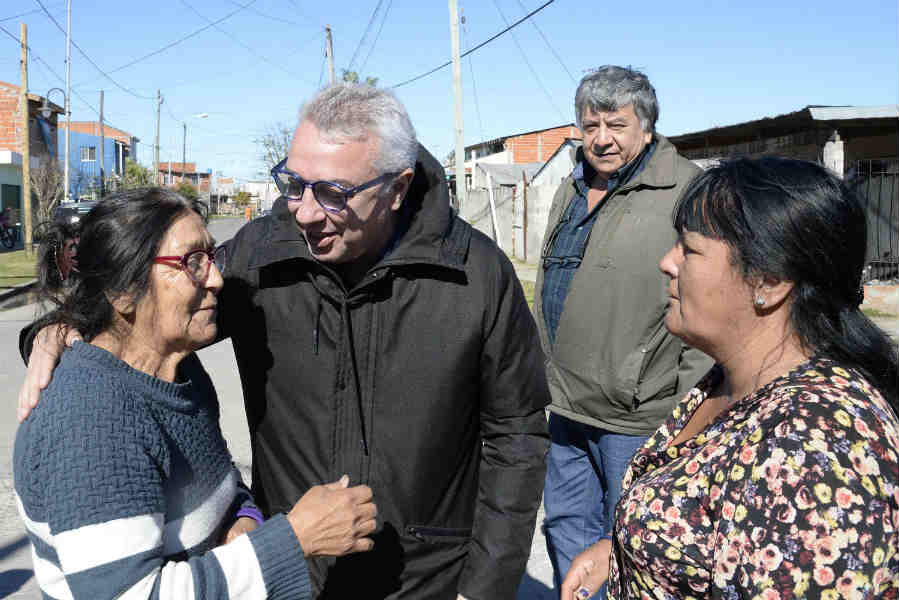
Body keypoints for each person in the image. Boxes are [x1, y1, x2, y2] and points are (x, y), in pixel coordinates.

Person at [20, 83, 551, 599]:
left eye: (333, 193)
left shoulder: (475, 274)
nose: (304, 210)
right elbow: (148, 314)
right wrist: (58, 331)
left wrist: (485, 587)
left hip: (426, 579)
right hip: (291, 577)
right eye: (294, 184)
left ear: (397, 187)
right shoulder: (263, 252)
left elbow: (518, 436)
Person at [14, 188, 378, 600]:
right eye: (192, 262)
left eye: (212, 257)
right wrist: (294, 540)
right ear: (122, 292)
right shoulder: (92, 420)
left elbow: (219, 488)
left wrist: (242, 519)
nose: (217, 279)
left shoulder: (181, 370)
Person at [562, 157, 899, 599]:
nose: (667, 262)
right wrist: (627, 550)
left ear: (770, 281)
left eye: (690, 248)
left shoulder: (813, 450)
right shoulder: (732, 380)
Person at [535, 65, 713, 597]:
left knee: (639, 543)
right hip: (565, 407)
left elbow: (709, 306)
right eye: (590, 125)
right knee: (566, 534)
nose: (601, 138)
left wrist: (688, 409)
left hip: (639, 416)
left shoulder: (688, 189)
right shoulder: (571, 187)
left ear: (647, 126)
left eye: (615, 123)